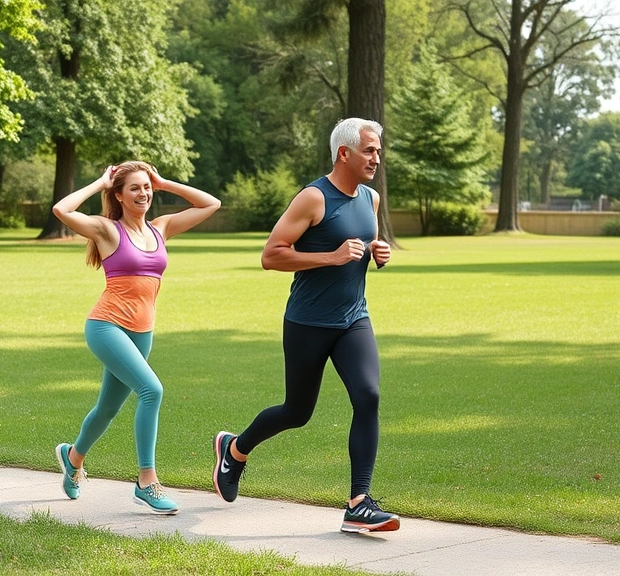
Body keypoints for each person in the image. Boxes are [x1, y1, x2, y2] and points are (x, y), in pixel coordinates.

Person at [212, 118, 400, 533]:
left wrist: (375, 251)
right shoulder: (313, 198)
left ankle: (359, 503)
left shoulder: (370, 198)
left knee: (368, 396)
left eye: (379, 150)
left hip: (354, 318)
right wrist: (330, 257)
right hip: (308, 322)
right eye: (369, 150)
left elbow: (360, 243)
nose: (377, 158)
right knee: (297, 412)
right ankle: (235, 448)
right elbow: (272, 255)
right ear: (344, 153)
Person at [52, 161, 220, 515]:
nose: (143, 194)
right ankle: (147, 481)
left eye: (147, 187)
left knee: (108, 408)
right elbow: (61, 209)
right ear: (119, 195)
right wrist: (99, 182)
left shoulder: (161, 227)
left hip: (142, 332)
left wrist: (165, 182)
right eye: (134, 188)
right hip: (106, 326)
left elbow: (210, 204)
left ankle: (73, 457)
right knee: (151, 390)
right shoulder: (107, 230)